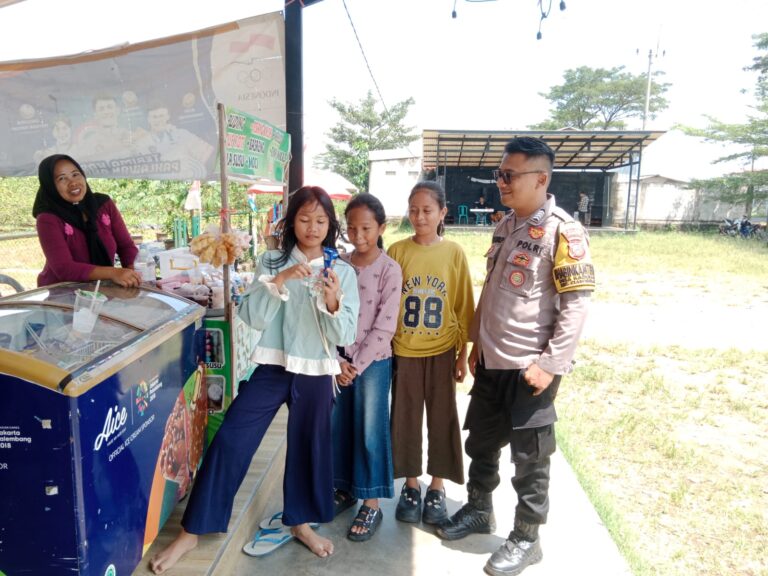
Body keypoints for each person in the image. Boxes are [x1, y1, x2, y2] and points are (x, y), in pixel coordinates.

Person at [149, 186, 359, 573]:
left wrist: (332, 300)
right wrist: (280, 281)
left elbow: (345, 333)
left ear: (330, 225)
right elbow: (251, 317)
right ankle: (192, 531)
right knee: (231, 437)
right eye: (304, 218)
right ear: (291, 221)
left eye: (320, 220)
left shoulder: (342, 270)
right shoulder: (271, 260)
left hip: (315, 370)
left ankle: (299, 523)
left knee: (308, 448)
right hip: (273, 366)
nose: (312, 227)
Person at [435, 137, 594, 576]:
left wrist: (550, 364)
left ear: (541, 179)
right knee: (481, 443)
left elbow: (577, 305)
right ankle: (479, 509)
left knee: (530, 459)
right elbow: (491, 293)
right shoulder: (505, 225)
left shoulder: (565, 231)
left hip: (530, 366)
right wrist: (474, 346)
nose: (500, 182)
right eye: (500, 174)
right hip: (491, 360)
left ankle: (527, 537)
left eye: (509, 175)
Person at [387, 181, 475, 526]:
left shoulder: (453, 252)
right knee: (404, 418)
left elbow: (463, 306)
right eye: (414, 210)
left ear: (442, 213)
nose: (419, 217)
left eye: (427, 210)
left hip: (442, 350)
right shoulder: (397, 251)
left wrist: (462, 354)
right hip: (405, 350)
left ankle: (436, 486)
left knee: (442, 417)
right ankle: (411, 486)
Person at [331, 194, 402, 542]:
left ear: (381, 228)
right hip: (338, 361)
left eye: (366, 228)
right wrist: (337, 361)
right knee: (339, 426)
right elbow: (326, 312)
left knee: (370, 430)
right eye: (352, 228)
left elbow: (385, 327)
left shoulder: (390, 269)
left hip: (372, 363)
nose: (358, 235)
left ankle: (371, 502)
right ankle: (344, 489)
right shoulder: (338, 264)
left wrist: (355, 365)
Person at [33, 154, 141, 288]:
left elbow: (126, 247)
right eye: (62, 178)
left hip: (102, 290)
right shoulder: (48, 219)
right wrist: (113, 273)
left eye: (75, 174)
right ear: (50, 185)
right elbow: (64, 269)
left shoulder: (104, 205)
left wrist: (133, 273)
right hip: (62, 293)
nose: (73, 182)